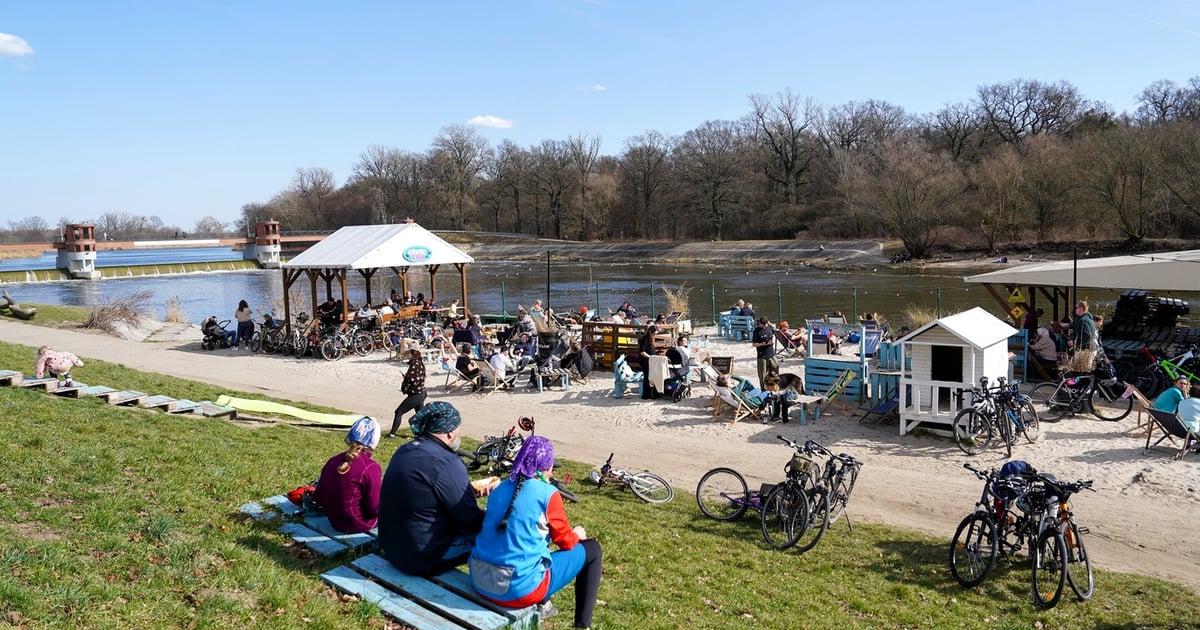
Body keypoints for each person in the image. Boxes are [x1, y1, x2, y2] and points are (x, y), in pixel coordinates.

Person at [469, 436, 602, 629]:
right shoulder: (548, 493)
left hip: (479, 579)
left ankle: (544, 605)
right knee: (593, 550)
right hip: (518, 590)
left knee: (529, 549)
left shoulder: (500, 487)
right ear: (548, 467)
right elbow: (565, 541)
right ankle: (582, 626)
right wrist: (577, 534)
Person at [378, 402, 489, 576]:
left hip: (391, 547)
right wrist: (493, 515)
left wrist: (466, 493)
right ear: (450, 432)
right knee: (496, 534)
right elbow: (470, 521)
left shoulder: (404, 450)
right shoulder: (447, 462)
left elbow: (422, 496)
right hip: (421, 558)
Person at [314, 416, 382, 534]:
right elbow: (374, 509)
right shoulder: (371, 467)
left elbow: (318, 497)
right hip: (358, 523)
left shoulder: (333, 460)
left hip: (333, 520)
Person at [387, 349, 427, 439]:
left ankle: (392, 434)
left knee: (398, 412)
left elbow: (413, 380)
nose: (406, 355)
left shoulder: (415, 364)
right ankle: (423, 434)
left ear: (412, 354)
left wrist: (406, 379)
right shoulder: (419, 363)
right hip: (421, 393)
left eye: (408, 353)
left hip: (416, 394)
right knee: (421, 416)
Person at [1067, 300, 1097, 371]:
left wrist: (1074, 342)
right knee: (1081, 369)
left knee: (1078, 369)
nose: (1075, 309)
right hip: (1089, 349)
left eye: (1076, 307)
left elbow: (1087, 335)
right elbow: (1073, 324)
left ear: (1081, 308)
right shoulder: (1085, 318)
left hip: (1086, 350)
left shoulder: (1083, 320)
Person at [751, 317, 778, 389]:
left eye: (766, 324)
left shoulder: (769, 327)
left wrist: (772, 340)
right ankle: (764, 389)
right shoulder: (756, 331)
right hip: (762, 355)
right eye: (763, 325)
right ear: (760, 324)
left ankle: (774, 387)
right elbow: (754, 344)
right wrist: (763, 344)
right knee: (763, 375)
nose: (765, 326)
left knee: (775, 370)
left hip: (771, 353)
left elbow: (773, 334)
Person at [639, 324, 662, 399]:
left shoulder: (650, 339)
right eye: (654, 333)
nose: (654, 335)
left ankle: (652, 393)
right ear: (650, 332)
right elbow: (642, 352)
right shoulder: (645, 339)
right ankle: (646, 395)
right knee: (647, 377)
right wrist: (651, 357)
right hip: (645, 361)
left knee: (651, 377)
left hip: (651, 361)